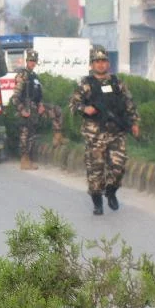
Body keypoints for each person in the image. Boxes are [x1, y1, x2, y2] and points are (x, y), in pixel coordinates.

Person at [68, 45, 140, 215]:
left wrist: (135, 123)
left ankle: (111, 192)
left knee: (118, 166)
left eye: (104, 61)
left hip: (117, 132)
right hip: (95, 134)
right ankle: (97, 202)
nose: (101, 65)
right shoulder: (86, 84)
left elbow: (130, 104)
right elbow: (73, 104)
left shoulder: (117, 83)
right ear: (92, 64)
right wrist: (85, 109)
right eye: (97, 61)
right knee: (95, 170)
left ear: (108, 63)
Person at [11, 49, 66, 170]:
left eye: (34, 61)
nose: (32, 63)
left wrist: (41, 104)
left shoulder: (35, 76)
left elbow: (38, 94)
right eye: (30, 61)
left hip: (36, 106)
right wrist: (22, 110)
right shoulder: (22, 75)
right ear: (27, 61)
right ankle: (25, 161)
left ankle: (58, 136)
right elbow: (15, 97)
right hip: (26, 107)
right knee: (27, 134)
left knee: (56, 110)